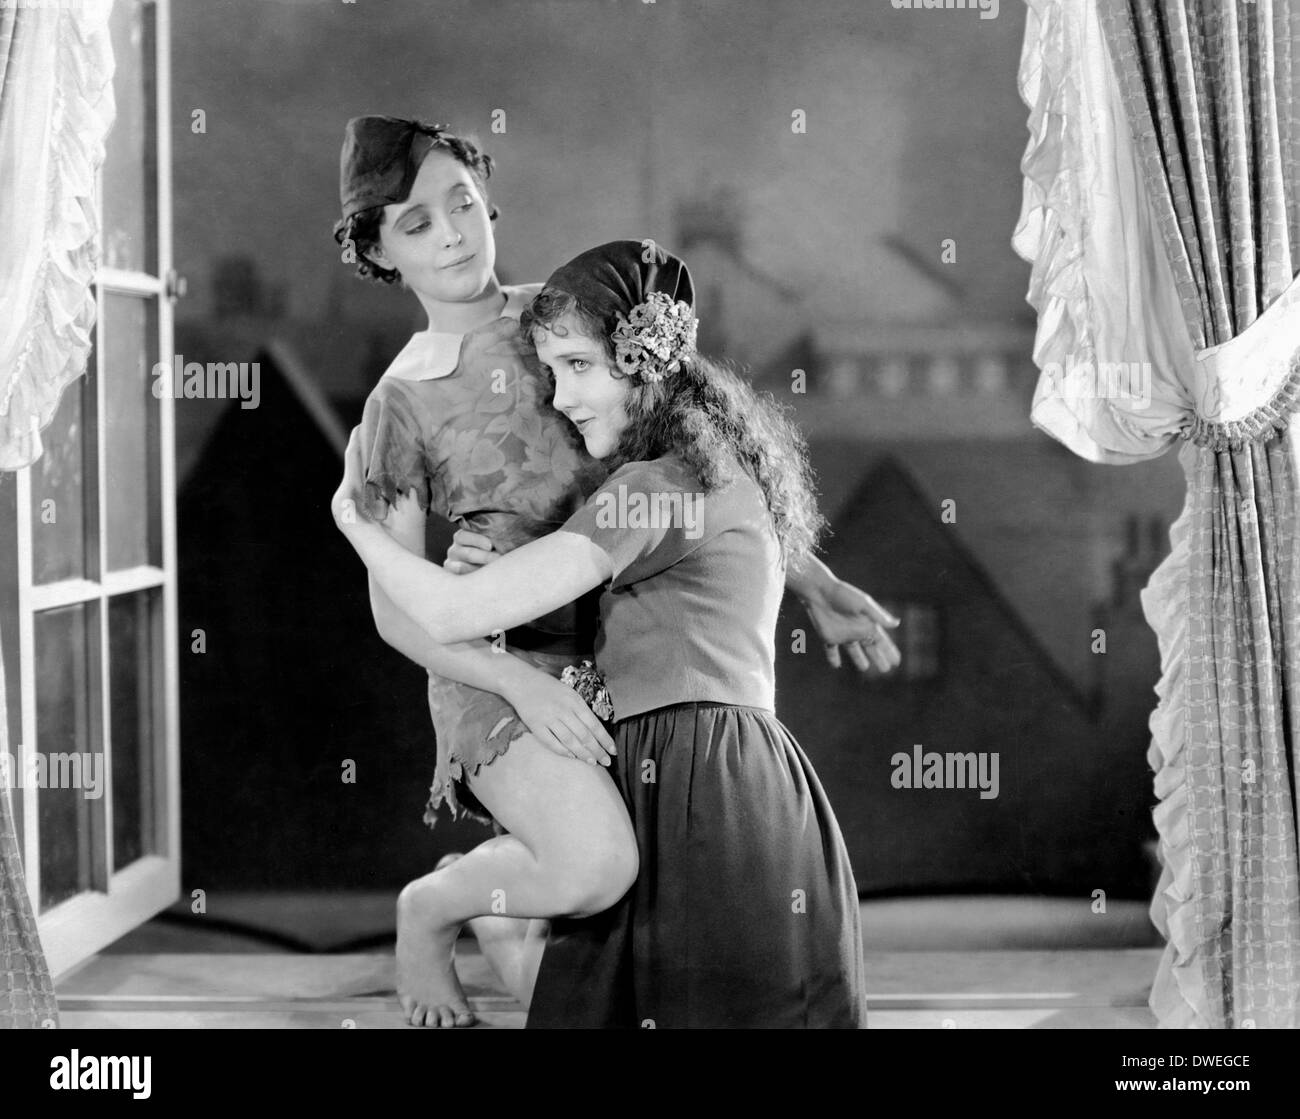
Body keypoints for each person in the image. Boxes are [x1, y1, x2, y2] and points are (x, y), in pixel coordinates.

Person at [333, 239, 877, 1027]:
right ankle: (482, 906)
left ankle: (469, 906)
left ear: (640, 358)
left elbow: (451, 615)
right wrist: (819, 582)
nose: (560, 397)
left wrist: (356, 528)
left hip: (700, 786)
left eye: (579, 367)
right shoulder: (710, 456)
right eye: (551, 372)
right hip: (735, 778)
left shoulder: (653, 488)